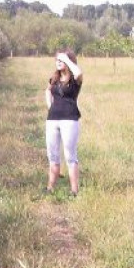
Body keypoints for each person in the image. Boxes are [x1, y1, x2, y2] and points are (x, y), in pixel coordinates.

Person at [45, 50, 83, 196]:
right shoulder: (54, 78)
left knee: (70, 156)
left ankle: (74, 190)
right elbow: (47, 91)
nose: (58, 62)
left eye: (61, 60)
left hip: (69, 119)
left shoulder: (75, 79)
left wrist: (67, 60)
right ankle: (50, 188)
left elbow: (78, 73)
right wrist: (50, 106)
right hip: (52, 120)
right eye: (57, 60)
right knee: (52, 155)